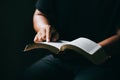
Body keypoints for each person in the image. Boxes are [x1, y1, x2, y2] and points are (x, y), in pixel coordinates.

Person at [23, 0, 120, 80]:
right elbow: (40, 14)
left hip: (105, 61)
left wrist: (92, 52)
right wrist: (43, 27)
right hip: (61, 58)